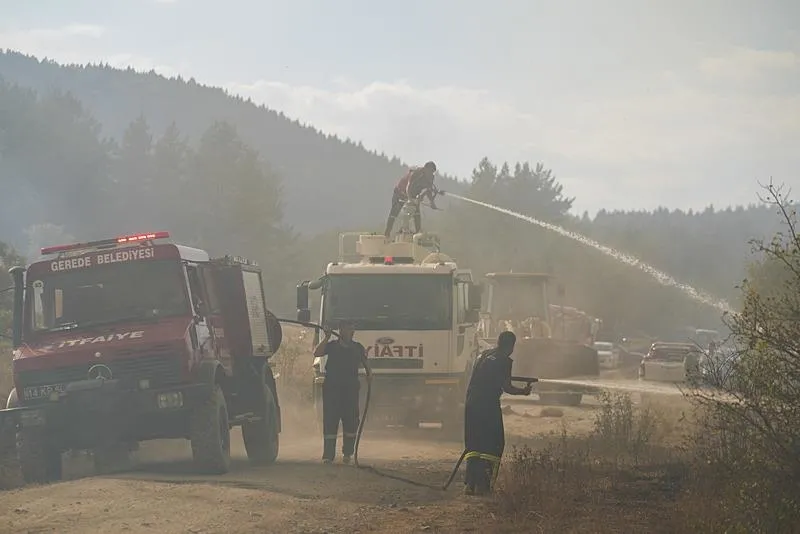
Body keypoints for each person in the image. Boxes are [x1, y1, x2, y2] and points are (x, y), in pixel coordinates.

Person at [463, 331, 533, 495]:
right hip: (488, 406)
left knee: (474, 444)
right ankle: (484, 486)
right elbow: (507, 387)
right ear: (511, 346)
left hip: (471, 404)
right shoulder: (504, 360)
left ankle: (470, 484)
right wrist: (524, 392)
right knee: (494, 444)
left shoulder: (484, 355)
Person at [313, 320, 369, 464]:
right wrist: (326, 337)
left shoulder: (357, 348)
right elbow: (317, 352)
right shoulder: (331, 346)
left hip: (350, 391)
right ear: (340, 330)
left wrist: (370, 377)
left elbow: (367, 366)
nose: (349, 331)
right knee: (330, 422)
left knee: (351, 422)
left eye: (351, 328)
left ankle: (348, 453)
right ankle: (328, 456)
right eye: (345, 328)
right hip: (332, 390)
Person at [384, 161, 439, 238]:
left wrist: (432, 202)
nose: (431, 174)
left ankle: (418, 235)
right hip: (400, 193)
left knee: (417, 214)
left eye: (433, 172)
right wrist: (410, 199)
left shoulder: (430, 178)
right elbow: (408, 187)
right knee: (394, 213)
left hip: (413, 196)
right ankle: (387, 234)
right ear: (425, 169)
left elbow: (428, 190)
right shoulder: (416, 173)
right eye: (430, 171)